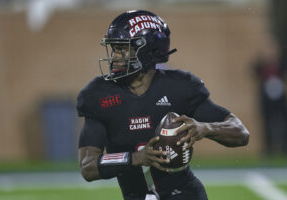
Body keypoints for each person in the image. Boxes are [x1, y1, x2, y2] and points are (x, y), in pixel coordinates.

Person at [77, 10, 250, 200]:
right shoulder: (100, 93)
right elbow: (88, 166)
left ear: (148, 50)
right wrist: (135, 158)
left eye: (123, 48)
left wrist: (205, 128)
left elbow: (241, 133)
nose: (115, 57)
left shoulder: (179, 87)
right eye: (114, 48)